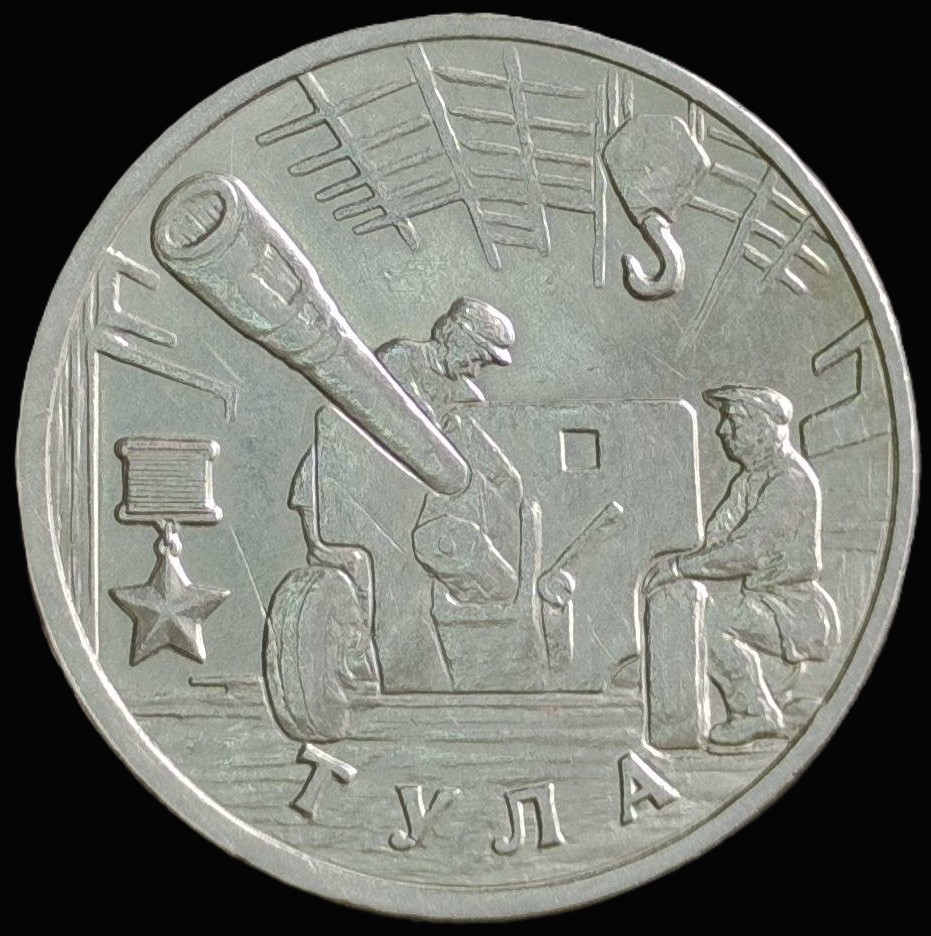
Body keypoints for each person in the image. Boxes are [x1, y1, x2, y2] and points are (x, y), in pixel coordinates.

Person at [643, 385, 840, 746]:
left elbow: (748, 552)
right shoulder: (749, 480)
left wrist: (678, 568)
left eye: (733, 421)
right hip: (763, 602)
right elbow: (716, 541)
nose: (722, 431)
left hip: (794, 611)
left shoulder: (789, 482)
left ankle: (754, 713)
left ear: (765, 427)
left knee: (705, 620)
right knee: (690, 607)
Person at [375, 297, 515, 425]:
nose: (474, 372)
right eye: (476, 359)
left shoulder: (467, 397)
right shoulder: (398, 357)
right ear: (456, 336)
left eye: (482, 365)